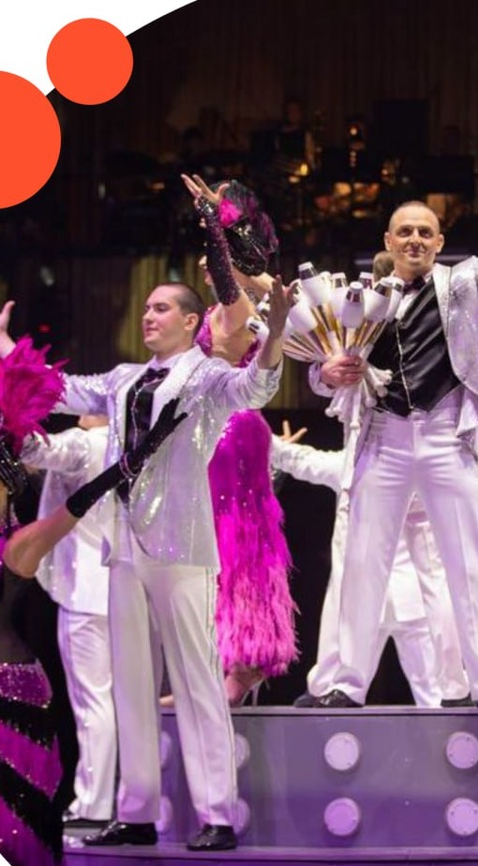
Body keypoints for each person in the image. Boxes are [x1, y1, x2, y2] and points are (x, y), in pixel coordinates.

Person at [0, 275, 288, 853]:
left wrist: (278, 328)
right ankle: (136, 810)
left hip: (181, 543)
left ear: (191, 321)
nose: (149, 316)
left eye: (161, 308)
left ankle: (216, 813)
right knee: (131, 682)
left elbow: (257, 388)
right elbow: (56, 389)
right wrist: (0, 341)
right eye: (147, 307)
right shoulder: (123, 379)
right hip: (123, 544)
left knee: (196, 680)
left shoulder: (206, 376)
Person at [0, 339, 186, 866]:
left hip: (9, 694)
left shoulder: (19, 544)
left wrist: (137, 455)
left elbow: (78, 503)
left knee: (7, 820)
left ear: (5, 483)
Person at [303, 119, 478, 709]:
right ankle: (347, 683)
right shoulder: (359, 297)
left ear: (440, 243)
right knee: (363, 562)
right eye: (405, 232)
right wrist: (324, 374)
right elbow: (322, 367)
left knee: (466, 561)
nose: (414, 240)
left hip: (445, 435)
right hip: (382, 438)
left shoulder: (464, 285)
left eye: (425, 232)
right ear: (388, 242)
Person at [274, 421, 478, 706]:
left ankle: (327, 690)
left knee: (434, 696)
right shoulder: (358, 466)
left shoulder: (360, 466)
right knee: (434, 696)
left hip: (402, 605)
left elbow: (294, 458)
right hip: (399, 604)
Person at [183, 172, 297, 703]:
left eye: (214, 257)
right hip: (217, 433)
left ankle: (244, 661)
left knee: (234, 543)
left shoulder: (240, 307)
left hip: (231, 435)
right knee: (216, 546)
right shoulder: (227, 308)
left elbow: (232, 277)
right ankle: (227, 659)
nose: (204, 263)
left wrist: (214, 220)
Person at [20, 415, 117, 826]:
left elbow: (35, 448)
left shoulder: (88, 442)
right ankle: (122, 803)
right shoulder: (134, 442)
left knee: (92, 702)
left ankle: (93, 805)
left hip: (86, 589)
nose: (78, 413)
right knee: (117, 703)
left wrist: (7, 406)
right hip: (123, 589)